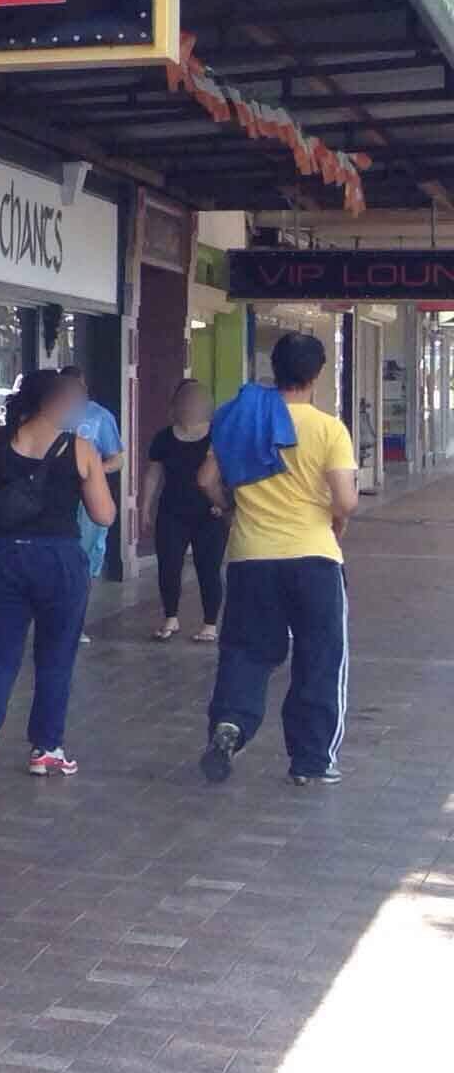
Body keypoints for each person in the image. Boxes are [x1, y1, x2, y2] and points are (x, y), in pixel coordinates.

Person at [198, 331, 359, 788]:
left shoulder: (242, 420)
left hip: (251, 558)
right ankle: (311, 761)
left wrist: (232, 504)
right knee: (320, 657)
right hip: (314, 560)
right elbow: (346, 500)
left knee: (246, 652)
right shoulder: (328, 429)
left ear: (275, 369)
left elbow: (206, 479)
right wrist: (333, 513)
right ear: (316, 375)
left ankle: (230, 723)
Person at [0, 367, 116, 781]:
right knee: (56, 654)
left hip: (0, 558)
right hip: (58, 559)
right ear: (58, 402)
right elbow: (103, 514)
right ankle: (46, 748)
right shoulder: (79, 448)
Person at [139, 380, 226, 643]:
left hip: (209, 513)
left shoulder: (217, 436)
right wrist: (145, 506)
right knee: (168, 565)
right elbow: (153, 474)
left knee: (208, 567)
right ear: (176, 405)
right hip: (172, 510)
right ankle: (171, 618)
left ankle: (210, 623)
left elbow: (228, 473)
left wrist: (223, 503)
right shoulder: (164, 438)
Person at [60, 365, 123, 633]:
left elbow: (117, 458)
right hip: (55, 498)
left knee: (85, 558)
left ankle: (76, 622)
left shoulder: (99, 416)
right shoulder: (48, 415)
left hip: (87, 499)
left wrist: (93, 474)